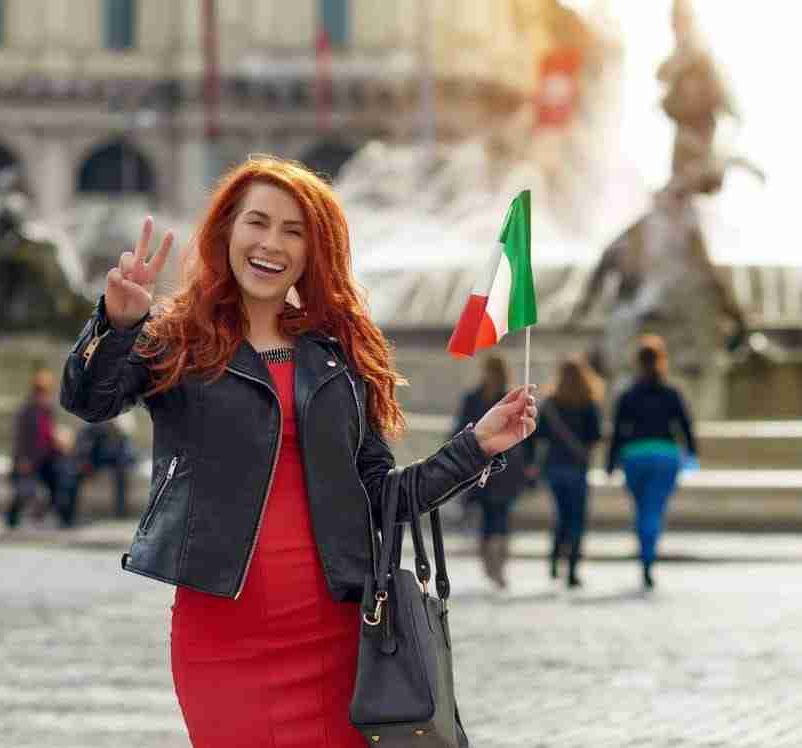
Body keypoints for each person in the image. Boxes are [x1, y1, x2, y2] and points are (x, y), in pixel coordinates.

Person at [59, 155, 537, 747]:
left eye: (293, 231)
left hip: (338, 634)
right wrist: (115, 324)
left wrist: (477, 446)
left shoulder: (340, 357)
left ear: (315, 251)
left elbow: (384, 498)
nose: (271, 244)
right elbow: (90, 400)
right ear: (227, 230)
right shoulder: (177, 341)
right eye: (257, 223)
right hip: (222, 637)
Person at [607, 334, 697, 590]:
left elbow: (618, 431)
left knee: (641, 507)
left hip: (635, 456)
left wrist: (610, 462)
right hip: (665, 455)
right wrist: (691, 453)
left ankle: (644, 551)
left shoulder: (628, 395)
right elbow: (685, 425)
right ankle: (649, 554)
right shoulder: (671, 393)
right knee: (655, 507)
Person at [452, 354, 535, 590]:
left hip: (482, 465)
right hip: (507, 466)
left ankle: (491, 565)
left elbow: (460, 431)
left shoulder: (474, 398)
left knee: (488, 516)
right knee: (501, 516)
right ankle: (497, 566)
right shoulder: (511, 399)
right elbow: (526, 435)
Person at [533, 354, 604, 588]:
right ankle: (572, 569)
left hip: (554, 467)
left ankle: (554, 561)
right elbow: (595, 436)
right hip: (578, 467)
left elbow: (539, 434)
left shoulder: (552, 403)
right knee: (577, 519)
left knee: (561, 516)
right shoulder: (589, 403)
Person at [8, 369, 69, 528]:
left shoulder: (48, 409)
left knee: (58, 485)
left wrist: (60, 441)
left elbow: (49, 431)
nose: (44, 395)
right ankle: (12, 519)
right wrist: (22, 459)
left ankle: (55, 518)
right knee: (24, 492)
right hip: (29, 458)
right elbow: (20, 437)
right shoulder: (26, 410)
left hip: (46, 456)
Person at [74, 417, 139, 518]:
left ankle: (120, 512)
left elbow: (126, 444)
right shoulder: (91, 416)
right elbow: (84, 441)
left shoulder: (121, 415)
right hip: (93, 456)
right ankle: (72, 513)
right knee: (75, 470)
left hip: (113, 458)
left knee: (121, 471)